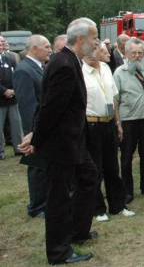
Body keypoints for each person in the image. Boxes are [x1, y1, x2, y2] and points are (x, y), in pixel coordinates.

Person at [18, 17, 99, 265]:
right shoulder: (64, 64)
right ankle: (58, 252)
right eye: (94, 38)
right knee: (59, 197)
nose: (96, 43)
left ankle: (77, 231)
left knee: (89, 177)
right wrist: (36, 138)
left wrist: (35, 133)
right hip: (61, 144)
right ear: (81, 39)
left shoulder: (69, 60)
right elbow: (51, 107)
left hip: (73, 141)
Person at [83, 43, 135, 221]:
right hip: (91, 125)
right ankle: (98, 209)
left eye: (94, 51)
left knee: (112, 167)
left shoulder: (105, 68)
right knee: (95, 168)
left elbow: (113, 97)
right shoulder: (80, 71)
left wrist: (118, 122)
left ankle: (118, 205)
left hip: (109, 123)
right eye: (88, 52)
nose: (91, 55)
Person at [114, 38, 144, 203]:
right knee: (127, 156)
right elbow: (115, 99)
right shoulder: (120, 72)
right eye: (133, 52)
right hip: (129, 119)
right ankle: (127, 191)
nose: (137, 55)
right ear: (127, 53)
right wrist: (118, 123)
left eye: (140, 53)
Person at [13, 35, 52, 218]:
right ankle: (37, 207)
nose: (50, 50)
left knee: (45, 165)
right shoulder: (24, 70)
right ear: (34, 48)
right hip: (35, 128)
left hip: (43, 126)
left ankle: (45, 201)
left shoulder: (38, 68)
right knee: (37, 166)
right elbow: (27, 105)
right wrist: (32, 134)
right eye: (46, 46)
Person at [0, 35, 24, 157]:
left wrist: (14, 90)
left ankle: (19, 148)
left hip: (13, 99)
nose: (1, 45)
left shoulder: (9, 59)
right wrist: (4, 91)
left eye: (2, 42)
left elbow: (18, 74)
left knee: (16, 125)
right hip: (0, 100)